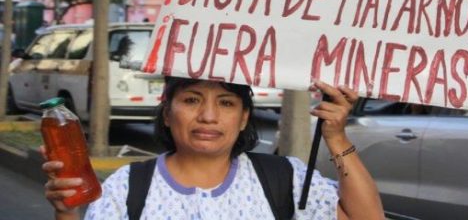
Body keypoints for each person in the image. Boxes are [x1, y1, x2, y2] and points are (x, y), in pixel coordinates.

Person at [42, 76, 385, 220]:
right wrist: (65, 212)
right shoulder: (125, 189)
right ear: (166, 113)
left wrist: (336, 136)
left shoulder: (284, 179)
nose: (208, 116)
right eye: (192, 100)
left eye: (225, 103)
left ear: (243, 118)